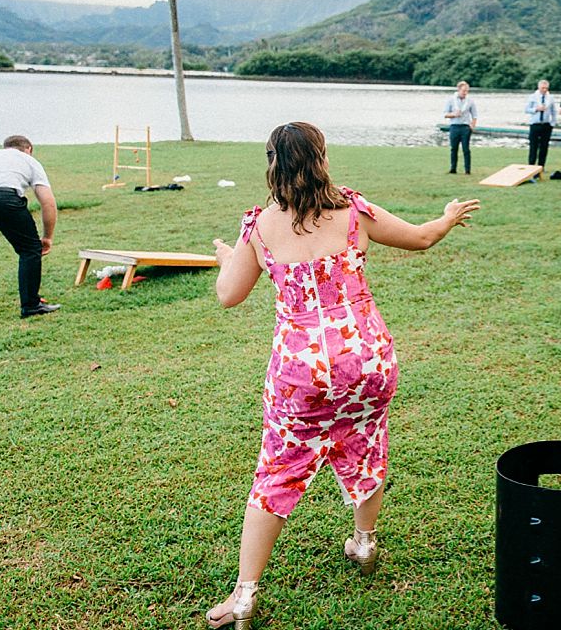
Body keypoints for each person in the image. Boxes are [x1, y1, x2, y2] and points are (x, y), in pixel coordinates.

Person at [202, 121, 479, 628]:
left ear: (272, 164)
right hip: (367, 360)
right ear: (322, 158)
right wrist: (445, 217)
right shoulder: (353, 210)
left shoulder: (260, 228)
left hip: (301, 372)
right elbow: (420, 239)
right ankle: (364, 543)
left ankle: (244, 597)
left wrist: (228, 257)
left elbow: (229, 294)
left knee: (277, 471)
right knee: (367, 442)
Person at [0, 135, 60, 318]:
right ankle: (30, 305)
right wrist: (47, 237)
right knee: (29, 249)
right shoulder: (29, 160)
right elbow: (48, 203)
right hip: (2, 197)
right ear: (28, 148)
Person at [442, 81, 477, 175]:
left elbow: (474, 115)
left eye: (467, 91)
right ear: (459, 90)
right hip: (454, 126)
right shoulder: (451, 100)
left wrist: (472, 126)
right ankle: (453, 169)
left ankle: (467, 170)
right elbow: (445, 114)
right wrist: (453, 114)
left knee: (466, 149)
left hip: (465, 127)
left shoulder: (470, 101)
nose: (465, 93)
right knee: (454, 149)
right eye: (463, 91)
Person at [523, 80, 557, 169]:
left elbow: (553, 111)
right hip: (535, 124)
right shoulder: (533, 97)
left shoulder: (550, 97)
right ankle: (531, 166)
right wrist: (536, 109)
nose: (545, 90)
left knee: (544, 147)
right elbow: (526, 109)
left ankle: (541, 166)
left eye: (546, 88)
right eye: (543, 88)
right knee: (533, 146)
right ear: (539, 87)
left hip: (546, 124)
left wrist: (552, 123)